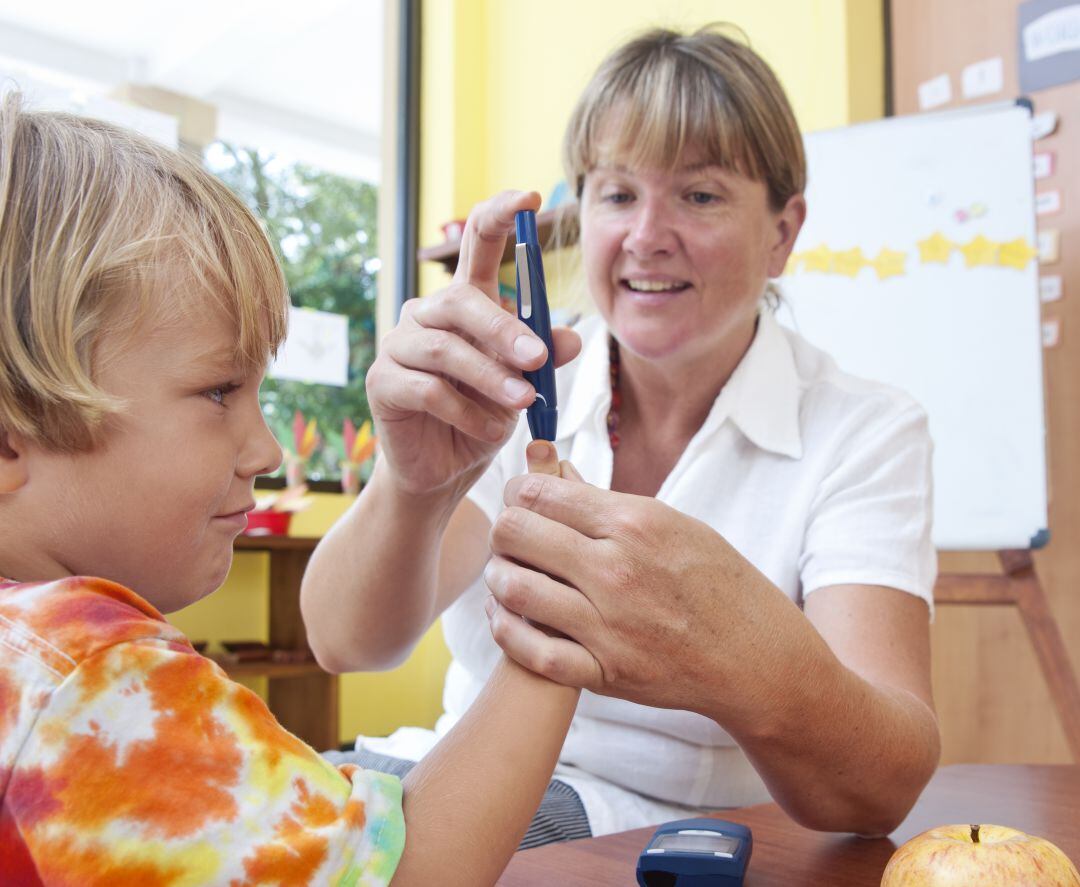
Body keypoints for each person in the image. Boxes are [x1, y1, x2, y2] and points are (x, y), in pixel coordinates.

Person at [302, 25, 941, 842]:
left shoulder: (863, 431)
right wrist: (412, 485)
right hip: (434, 771)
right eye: (617, 194)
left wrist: (734, 634)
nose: (647, 235)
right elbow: (345, 640)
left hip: (648, 833)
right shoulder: (514, 383)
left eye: (700, 195)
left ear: (782, 232)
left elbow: (880, 785)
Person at [0, 94, 582, 887]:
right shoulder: (93, 676)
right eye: (218, 392)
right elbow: (406, 874)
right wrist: (555, 635)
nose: (268, 450)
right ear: (9, 438)